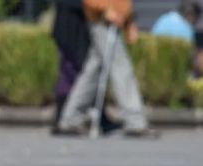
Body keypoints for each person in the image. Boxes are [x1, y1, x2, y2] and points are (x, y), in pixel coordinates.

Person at [57, 0, 159, 138]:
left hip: (109, 20)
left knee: (93, 71)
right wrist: (105, 9)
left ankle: (70, 118)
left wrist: (129, 21)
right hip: (103, 21)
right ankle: (135, 122)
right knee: (121, 69)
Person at [52, 0, 121, 135]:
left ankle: (88, 116)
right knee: (75, 70)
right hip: (71, 24)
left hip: (77, 22)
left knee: (85, 70)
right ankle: (65, 116)